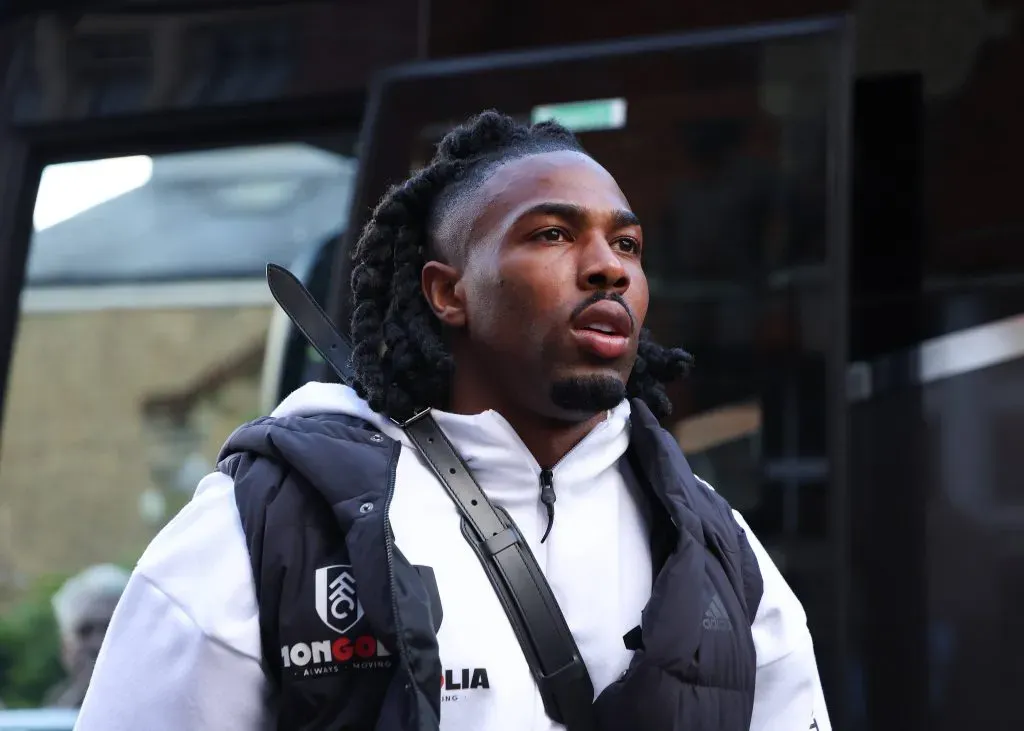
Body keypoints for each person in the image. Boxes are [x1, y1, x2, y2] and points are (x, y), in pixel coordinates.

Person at [75, 111, 830, 731]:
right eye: (553, 235)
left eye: (626, 243)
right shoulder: (266, 524)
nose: (608, 267)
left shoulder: (719, 546)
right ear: (448, 292)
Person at [45, 564, 129, 709]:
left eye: (110, 629)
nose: (98, 643)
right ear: (65, 648)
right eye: (85, 631)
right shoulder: (51, 716)